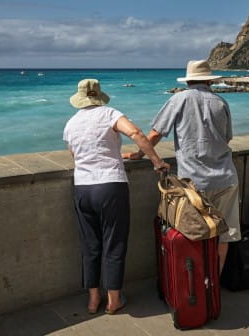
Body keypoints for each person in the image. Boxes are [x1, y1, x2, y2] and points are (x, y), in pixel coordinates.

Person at [123, 60, 241, 274]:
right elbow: (227, 138)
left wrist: (140, 154)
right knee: (225, 234)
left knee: (193, 233)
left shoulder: (179, 99)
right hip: (226, 177)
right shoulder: (221, 102)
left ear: (188, 80)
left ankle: (195, 285)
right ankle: (214, 283)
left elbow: (156, 133)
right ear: (208, 80)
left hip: (194, 182)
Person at [63, 79, 170, 315]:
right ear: (99, 95)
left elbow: (77, 155)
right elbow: (136, 132)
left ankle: (92, 300)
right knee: (114, 242)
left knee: (90, 245)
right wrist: (157, 162)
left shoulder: (71, 124)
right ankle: (113, 300)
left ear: (80, 99)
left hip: (82, 187)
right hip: (110, 185)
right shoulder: (109, 113)